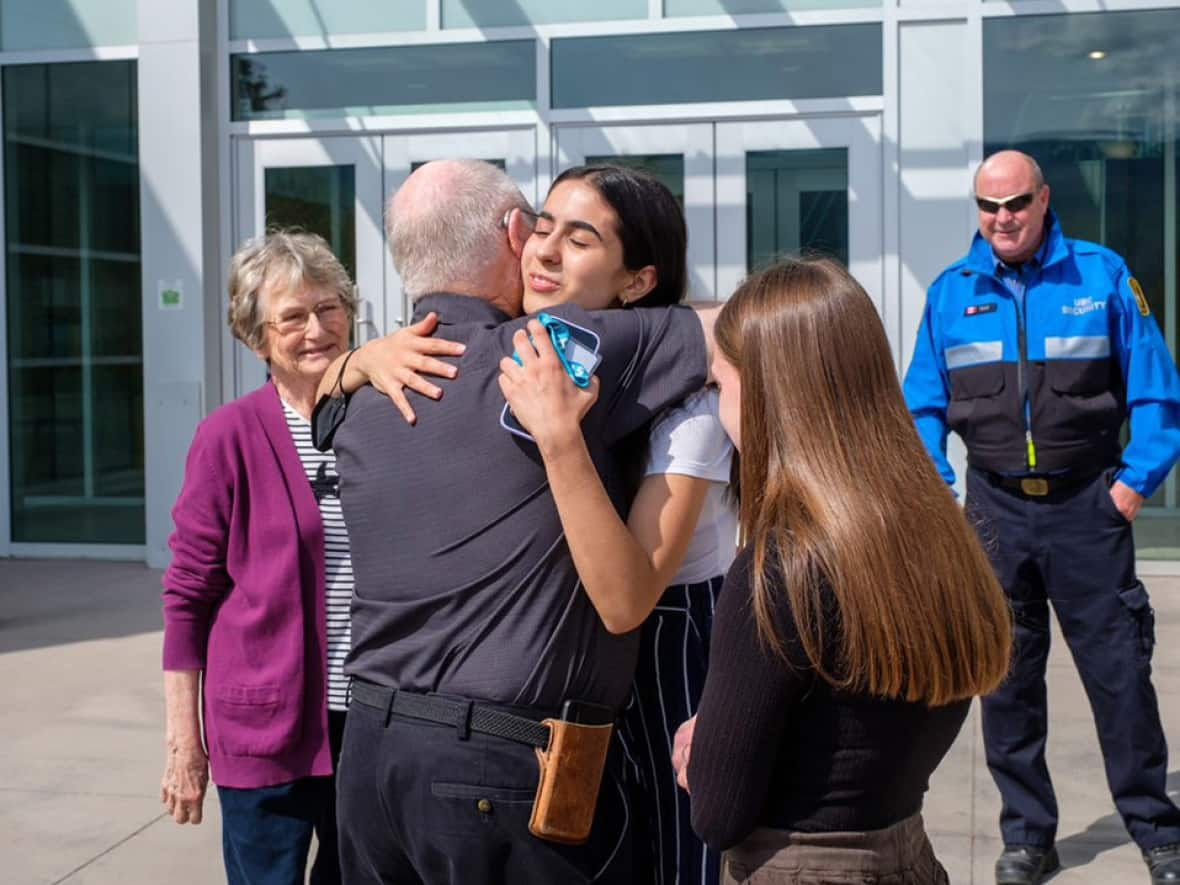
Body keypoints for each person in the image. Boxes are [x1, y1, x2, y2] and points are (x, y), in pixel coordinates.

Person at [313, 159, 715, 885]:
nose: (546, 248)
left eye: (577, 235)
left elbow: (318, 407)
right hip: (497, 775)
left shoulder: (364, 395)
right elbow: (751, 329)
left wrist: (349, 364)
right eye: (541, 225)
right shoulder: (555, 352)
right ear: (512, 233)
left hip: (371, 759)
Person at [672, 256, 1013, 885]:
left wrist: (704, 749)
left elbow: (717, 815)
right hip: (907, 853)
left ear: (771, 393)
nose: (716, 409)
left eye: (720, 386)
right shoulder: (940, 530)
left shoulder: (782, 566)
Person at [903, 149, 1180, 885]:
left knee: (1120, 675)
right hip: (994, 512)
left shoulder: (1102, 276)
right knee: (1007, 681)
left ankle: (1155, 826)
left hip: (1089, 505)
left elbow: (1157, 392)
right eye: (988, 207)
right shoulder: (950, 293)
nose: (1003, 219)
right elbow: (920, 408)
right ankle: (1029, 834)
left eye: (1016, 203)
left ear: (1044, 198)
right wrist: (943, 490)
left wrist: (1134, 482)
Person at [160, 231, 357, 884]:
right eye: (292, 316)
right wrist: (185, 742)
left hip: (371, 723)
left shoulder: (384, 417)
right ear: (256, 337)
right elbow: (188, 595)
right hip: (262, 730)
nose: (317, 328)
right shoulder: (229, 436)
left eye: (328, 307)